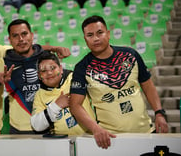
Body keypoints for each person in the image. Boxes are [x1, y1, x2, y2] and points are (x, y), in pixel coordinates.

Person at [69, 15, 168, 149]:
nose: (96, 38)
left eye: (100, 33)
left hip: (146, 133)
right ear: (85, 39)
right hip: (110, 140)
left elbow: (148, 86)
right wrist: (95, 128)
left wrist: (159, 113)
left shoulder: (131, 55)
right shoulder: (82, 68)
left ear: (108, 34)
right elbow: (75, 105)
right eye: (90, 35)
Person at [0, 19, 70, 134]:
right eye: (15, 36)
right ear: (10, 40)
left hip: (49, 127)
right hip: (19, 131)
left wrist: (55, 48)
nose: (21, 39)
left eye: (24, 34)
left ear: (31, 36)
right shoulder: (4, 63)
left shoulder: (46, 57)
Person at [31, 51, 95, 135]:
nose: (49, 73)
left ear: (60, 69)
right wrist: (56, 105)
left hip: (90, 136)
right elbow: (37, 125)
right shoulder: (39, 95)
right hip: (60, 142)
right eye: (44, 71)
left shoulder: (75, 77)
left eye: (52, 68)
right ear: (39, 76)